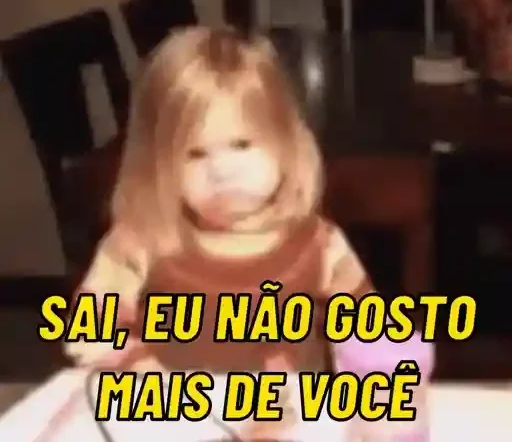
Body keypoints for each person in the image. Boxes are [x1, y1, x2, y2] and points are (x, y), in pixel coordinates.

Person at [53, 27, 429, 441]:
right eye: (195, 154)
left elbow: (369, 330)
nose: (222, 170)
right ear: (158, 164)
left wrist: (389, 377)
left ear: (287, 143)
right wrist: (139, 367)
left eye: (242, 144)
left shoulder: (320, 243)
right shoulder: (141, 241)